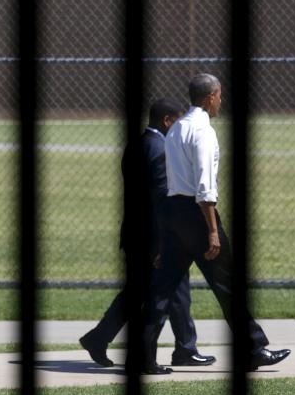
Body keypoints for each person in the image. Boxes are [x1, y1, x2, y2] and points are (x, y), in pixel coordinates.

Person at [143, 74, 291, 373]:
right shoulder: (203, 131)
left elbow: (171, 182)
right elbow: (205, 187)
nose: (221, 101)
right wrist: (212, 230)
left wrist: (164, 233)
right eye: (219, 95)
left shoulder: (175, 129)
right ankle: (254, 349)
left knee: (161, 290)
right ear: (210, 97)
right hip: (198, 216)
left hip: (173, 213)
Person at [79, 99, 217, 371]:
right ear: (166, 121)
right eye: (177, 122)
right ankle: (182, 350)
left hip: (135, 232)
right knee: (169, 290)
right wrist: (163, 242)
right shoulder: (161, 149)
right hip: (155, 236)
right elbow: (161, 200)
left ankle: (100, 339)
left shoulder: (137, 144)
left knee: (148, 291)